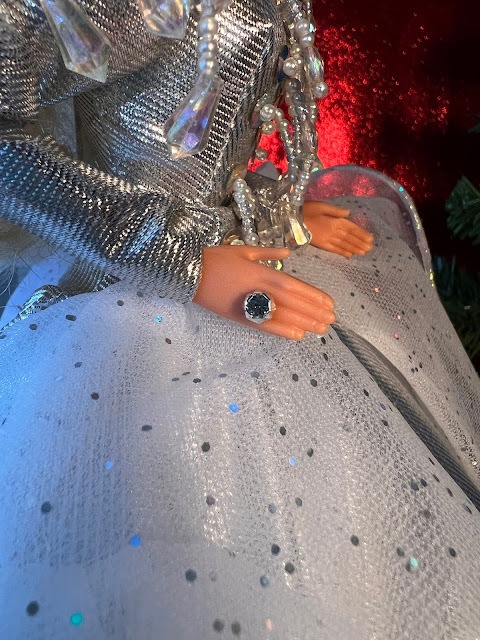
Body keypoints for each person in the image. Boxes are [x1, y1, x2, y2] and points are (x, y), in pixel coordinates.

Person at [0, 1, 479, 639]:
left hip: (238, 258)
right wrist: (176, 258)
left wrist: (283, 210)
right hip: (123, 317)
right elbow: (7, 144)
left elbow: (202, 143)